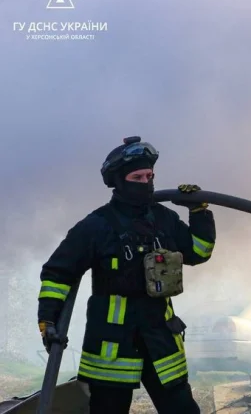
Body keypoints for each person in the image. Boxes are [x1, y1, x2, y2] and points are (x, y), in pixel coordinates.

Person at [37, 136, 216, 414]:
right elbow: (58, 273)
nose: (146, 182)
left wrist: (199, 211)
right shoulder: (97, 226)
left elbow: (199, 252)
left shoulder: (164, 218)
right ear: (119, 181)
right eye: (137, 177)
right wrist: (48, 319)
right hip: (112, 347)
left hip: (161, 341)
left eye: (149, 176)